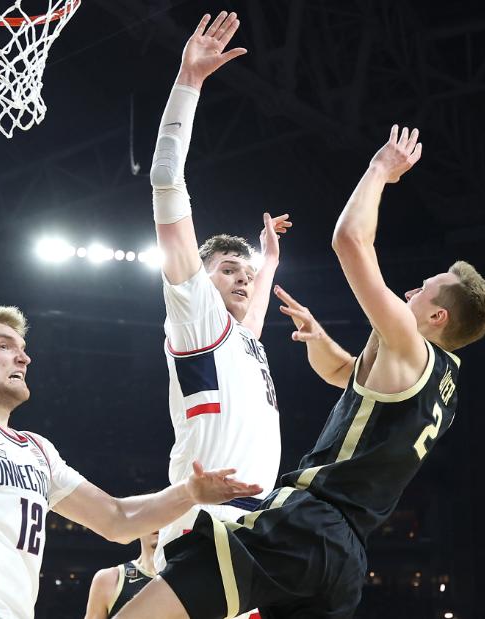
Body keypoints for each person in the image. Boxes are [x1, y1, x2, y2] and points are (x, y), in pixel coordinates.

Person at [115, 123, 485, 618]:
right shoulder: (442, 386)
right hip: (344, 561)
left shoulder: (408, 339)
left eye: (423, 291)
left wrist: (380, 169)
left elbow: (350, 241)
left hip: (304, 526)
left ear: (436, 317)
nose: (409, 293)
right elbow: (345, 373)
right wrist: (320, 340)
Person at [0, 305, 263, 619]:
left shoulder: (37, 449)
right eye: (5, 346)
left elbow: (117, 519)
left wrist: (189, 492)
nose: (23, 357)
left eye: (22, 348)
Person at [149, 9, 291, 573]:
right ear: (199, 279)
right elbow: (165, 179)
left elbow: (254, 313)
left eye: (246, 270)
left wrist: (269, 262)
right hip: (203, 520)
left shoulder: (242, 339)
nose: (243, 277)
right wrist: (189, 82)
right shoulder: (196, 315)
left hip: (253, 523)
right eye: (229, 268)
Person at [83, 531, 158, 619]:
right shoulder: (108, 581)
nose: (160, 524)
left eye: (165, 518)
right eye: (152, 517)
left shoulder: (178, 579)